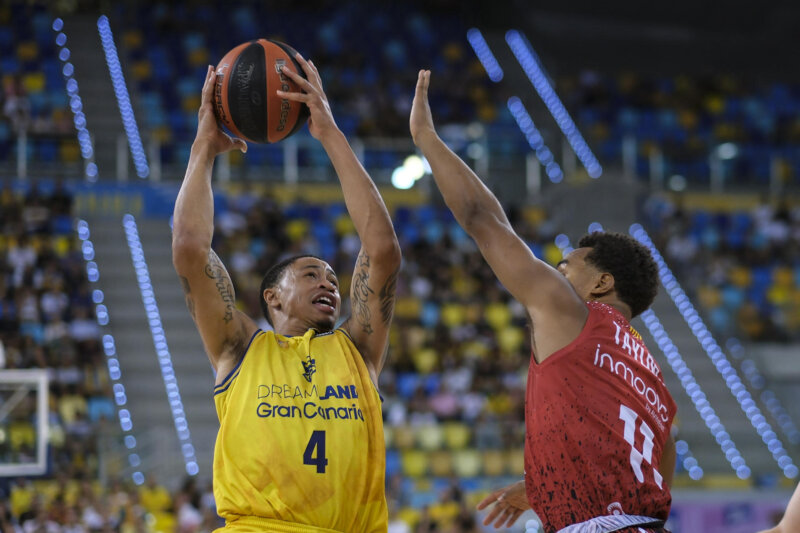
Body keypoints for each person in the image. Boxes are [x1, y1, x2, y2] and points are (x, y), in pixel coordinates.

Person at [410, 70, 676, 533]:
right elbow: (657, 454)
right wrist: (545, 482)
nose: (555, 273)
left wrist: (427, 140)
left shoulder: (573, 313)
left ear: (600, 284)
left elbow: (481, 217)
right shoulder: (651, 379)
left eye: (566, 266)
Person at [172, 54, 401, 532]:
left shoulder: (356, 348)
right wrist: (203, 148)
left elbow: (381, 250)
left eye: (332, 278)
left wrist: (330, 134)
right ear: (272, 297)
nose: (329, 283)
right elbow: (190, 250)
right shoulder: (239, 347)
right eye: (312, 274)